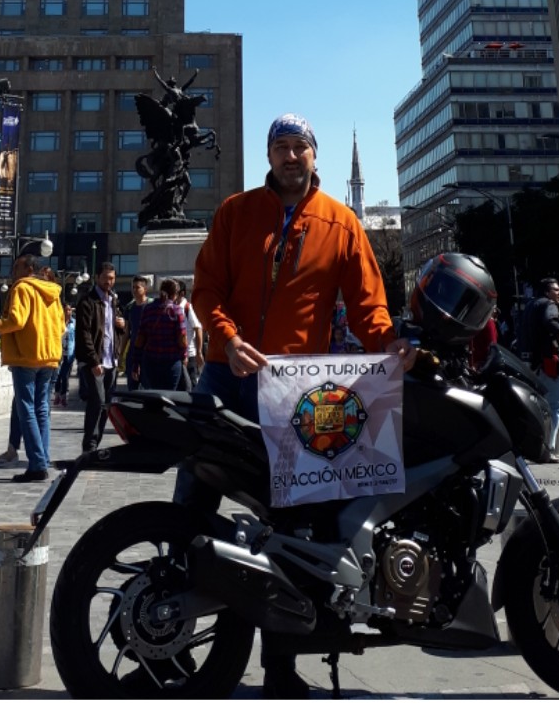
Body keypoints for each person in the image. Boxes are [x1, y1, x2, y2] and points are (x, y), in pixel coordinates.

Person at [187, 114, 414, 699]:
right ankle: (174, 626)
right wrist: (227, 338)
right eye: (281, 148)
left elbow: (368, 307)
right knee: (191, 503)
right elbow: (206, 286)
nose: (291, 157)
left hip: (295, 393)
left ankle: (280, 666)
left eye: (300, 148)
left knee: (292, 531)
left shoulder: (341, 223)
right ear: (269, 155)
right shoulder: (236, 212)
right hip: (226, 375)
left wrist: (390, 345)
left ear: (315, 156)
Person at [0, 250, 64, 483]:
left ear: (29, 270)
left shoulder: (22, 288)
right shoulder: (53, 292)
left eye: (16, 268)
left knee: (27, 409)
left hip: (26, 357)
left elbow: (16, 321)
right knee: (42, 408)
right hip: (50, 357)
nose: (13, 273)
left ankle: (37, 465)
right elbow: (62, 326)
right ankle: (42, 457)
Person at [75, 262, 124, 453]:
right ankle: (90, 445)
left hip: (111, 360)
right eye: (105, 278)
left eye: (112, 278)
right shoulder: (87, 301)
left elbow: (113, 332)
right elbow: (84, 333)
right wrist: (93, 361)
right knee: (97, 401)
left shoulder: (113, 301)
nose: (109, 282)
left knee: (106, 405)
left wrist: (122, 325)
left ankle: (96, 443)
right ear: (97, 277)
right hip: (95, 361)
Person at [524, 277, 559, 460]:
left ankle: (537, 445)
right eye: (556, 290)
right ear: (547, 292)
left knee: (539, 406)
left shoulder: (529, 306)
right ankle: (548, 448)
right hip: (547, 364)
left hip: (530, 364)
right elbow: (551, 322)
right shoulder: (549, 305)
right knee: (556, 406)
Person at [133, 279, 189, 390]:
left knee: (153, 396)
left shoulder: (148, 309)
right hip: (172, 362)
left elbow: (140, 338)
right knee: (169, 397)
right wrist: (184, 356)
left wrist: (136, 363)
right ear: (175, 294)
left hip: (151, 362)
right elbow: (182, 337)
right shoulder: (177, 311)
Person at [122, 275, 152, 388]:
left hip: (149, 354)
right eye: (133, 287)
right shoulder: (129, 307)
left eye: (137, 287)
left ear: (145, 289)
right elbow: (126, 332)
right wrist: (121, 353)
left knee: (149, 388)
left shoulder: (152, 306)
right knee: (132, 388)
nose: (134, 290)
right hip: (133, 354)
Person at [54, 304, 77, 407]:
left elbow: (77, 338)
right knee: (57, 375)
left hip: (70, 353)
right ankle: (57, 395)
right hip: (58, 352)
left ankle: (64, 397)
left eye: (69, 310)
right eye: (66, 310)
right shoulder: (58, 321)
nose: (68, 312)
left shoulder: (74, 323)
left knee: (65, 375)